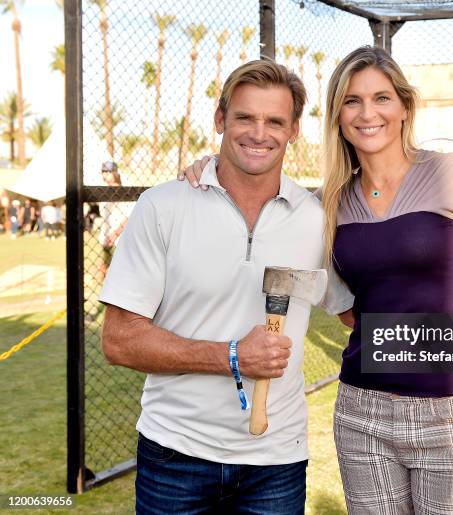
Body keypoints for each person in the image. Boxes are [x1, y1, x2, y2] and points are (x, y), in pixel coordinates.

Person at [180, 46, 453, 514]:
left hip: (451, 413)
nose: (367, 113)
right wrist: (206, 168)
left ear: (404, 106)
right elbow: (346, 308)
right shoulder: (329, 205)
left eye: (381, 98)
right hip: (362, 413)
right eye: (351, 101)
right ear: (337, 116)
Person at [99, 60, 325, 514]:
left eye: (275, 121)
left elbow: (357, 310)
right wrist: (232, 356)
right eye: (245, 117)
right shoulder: (163, 206)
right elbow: (119, 340)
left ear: (294, 130)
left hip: (276, 462)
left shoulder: (317, 219)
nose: (259, 133)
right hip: (175, 454)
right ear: (220, 120)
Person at [98, 161, 128, 279]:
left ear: (115, 173)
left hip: (119, 239)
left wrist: (114, 234)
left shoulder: (121, 192)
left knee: (118, 276)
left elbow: (128, 217)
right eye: (103, 171)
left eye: (108, 171)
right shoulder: (103, 192)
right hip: (105, 237)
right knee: (102, 272)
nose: (105, 174)